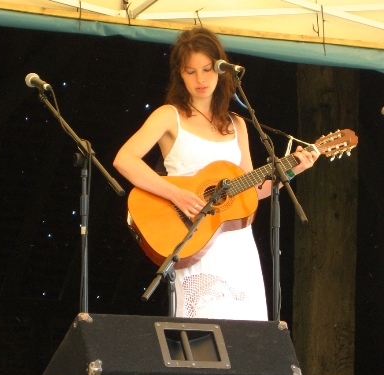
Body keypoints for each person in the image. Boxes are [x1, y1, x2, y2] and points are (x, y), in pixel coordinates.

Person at [113, 27, 318, 321]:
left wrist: (294, 168)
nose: (200, 79)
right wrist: (176, 194)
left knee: (246, 333)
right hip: (193, 237)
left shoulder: (237, 124)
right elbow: (124, 160)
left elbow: (251, 190)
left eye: (208, 69)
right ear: (180, 74)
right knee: (204, 332)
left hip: (237, 243)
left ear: (221, 70)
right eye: (191, 71)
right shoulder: (168, 116)